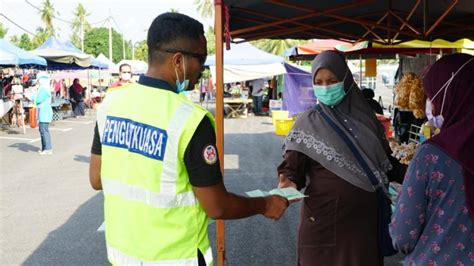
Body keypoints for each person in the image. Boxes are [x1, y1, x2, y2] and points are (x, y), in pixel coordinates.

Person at [88, 12, 289, 266]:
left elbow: (96, 179)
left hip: (122, 257)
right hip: (176, 259)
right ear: (179, 61)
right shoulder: (189, 120)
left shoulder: (111, 103)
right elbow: (216, 207)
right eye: (201, 58)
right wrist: (265, 204)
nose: (202, 69)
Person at [277, 51, 406, 266]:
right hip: (323, 226)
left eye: (332, 81)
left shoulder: (367, 120)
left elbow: (386, 164)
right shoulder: (308, 123)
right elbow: (292, 170)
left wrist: (422, 173)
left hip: (363, 229)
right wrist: (287, 182)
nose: (325, 87)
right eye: (318, 82)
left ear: (346, 81)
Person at [389, 53, 474, 265]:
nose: (429, 103)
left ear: (450, 95)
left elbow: (403, 236)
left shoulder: (432, 156)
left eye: (432, 96)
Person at [33, 72, 53, 155]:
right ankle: (44, 148)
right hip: (43, 112)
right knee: (42, 130)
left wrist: (30, 96)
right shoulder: (43, 88)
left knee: (44, 130)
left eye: (39, 80)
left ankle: (47, 148)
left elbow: (38, 99)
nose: (38, 81)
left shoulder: (44, 89)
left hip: (44, 112)